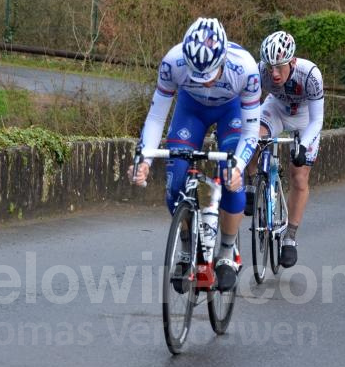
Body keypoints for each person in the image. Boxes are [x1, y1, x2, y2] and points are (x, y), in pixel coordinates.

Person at [129, 17, 261, 292]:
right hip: (191, 111)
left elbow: (250, 132)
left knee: (229, 179)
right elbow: (156, 117)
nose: (205, 81)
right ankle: (187, 245)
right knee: (175, 182)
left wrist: (237, 166)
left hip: (231, 111)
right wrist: (144, 160)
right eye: (197, 74)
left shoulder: (246, 69)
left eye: (210, 74)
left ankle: (227, 251)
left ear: (223, 60)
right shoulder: (172, 62)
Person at [246, 30, 324, 268]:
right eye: (270, 67)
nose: (274, 73)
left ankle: (290, 238)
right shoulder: (260, 71)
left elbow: (317, 120)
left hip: (303, 118)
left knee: (299, 176)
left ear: (292, 61)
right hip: (277, 109)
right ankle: (251, 183)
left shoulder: (310, 75)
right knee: (252, 137)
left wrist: (302, 146)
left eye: (280, 67)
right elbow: (248, 106)